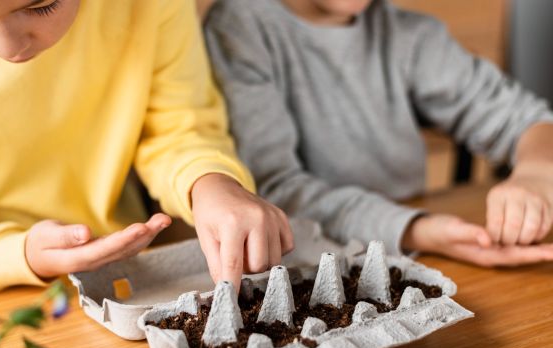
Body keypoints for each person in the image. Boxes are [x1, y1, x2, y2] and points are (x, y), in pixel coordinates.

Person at [0, 0, 293, 295]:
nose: (7, 46)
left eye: (41, 6)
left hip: (125, 275)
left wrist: (212, 184)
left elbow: (179, 128)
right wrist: (19, 255)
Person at [204, 0, 553, 266]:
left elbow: (528, 120)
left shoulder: (409, 33)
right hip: (307, 265)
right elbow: (273, 191)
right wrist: (418, 230)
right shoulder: (239, 28)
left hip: (413, 257)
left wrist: (537, 172)